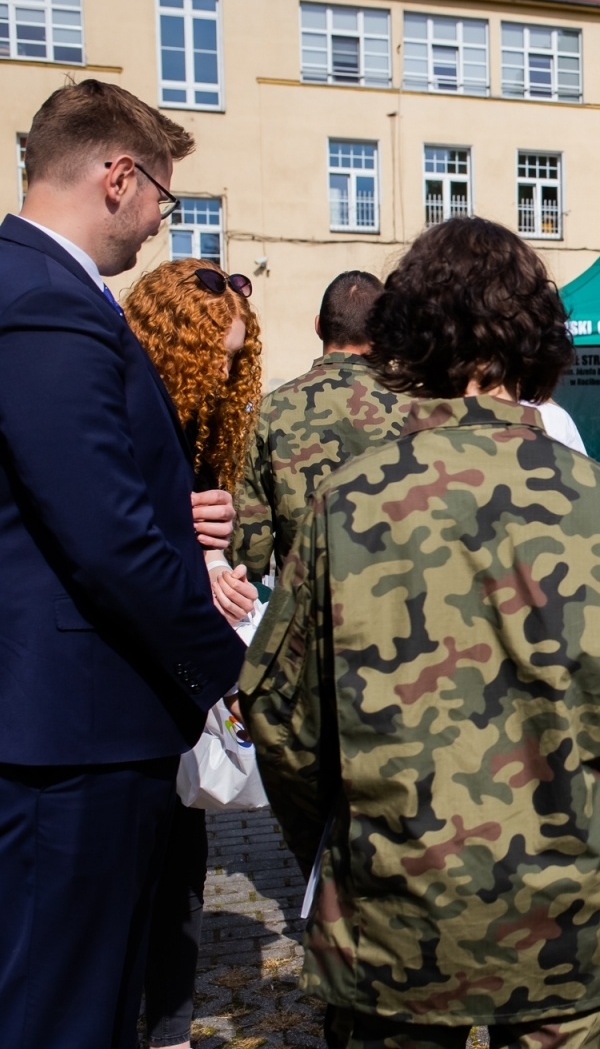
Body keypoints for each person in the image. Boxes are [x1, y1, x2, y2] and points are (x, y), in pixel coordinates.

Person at [240, 217, 600, 1049]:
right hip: (569, 916)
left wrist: (349, 844)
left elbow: (286, 731)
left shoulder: (348, 505)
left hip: (400, 918)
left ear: (410, 340)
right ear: (537, 343)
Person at [0, 80, 246, 1049]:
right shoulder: (47, 303)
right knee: (65, 1010)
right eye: (164, 200)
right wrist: (232, 678)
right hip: (76, 736)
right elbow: (105, 542)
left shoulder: (42, 292)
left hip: (73, 724)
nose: (159, 226)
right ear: (118, 176)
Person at [123, 258, 264, 1049]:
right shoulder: (118, 414)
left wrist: (217, 563)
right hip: (123, 692)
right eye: (215, 355)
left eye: (238, 358)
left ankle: (171, 1032)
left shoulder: (200, 430)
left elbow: (190, 552)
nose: (224, 373)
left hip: (175, 692)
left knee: (180, 873)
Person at [233, 270, 412, 589]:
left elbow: (251, 544)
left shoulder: (271, 411)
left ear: (318, 326)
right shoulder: (418, 408)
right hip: (399, 609)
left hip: (305, 612)